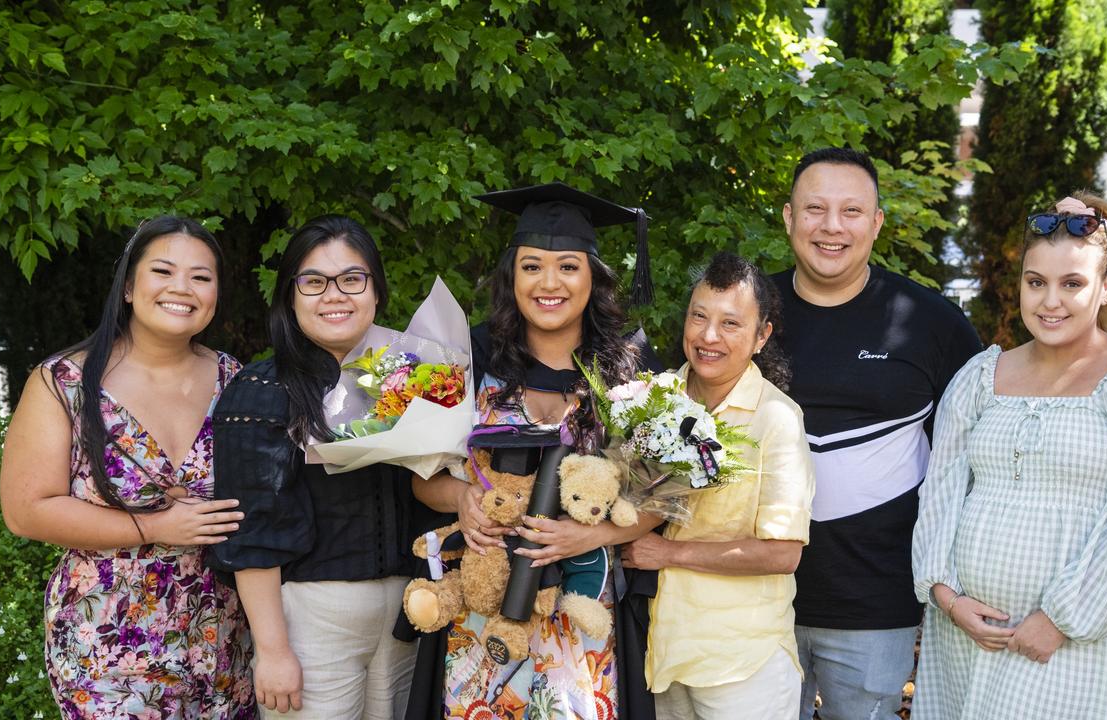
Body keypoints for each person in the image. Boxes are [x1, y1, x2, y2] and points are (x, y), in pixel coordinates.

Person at [909, 192, 1107, 718]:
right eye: (1036, 281)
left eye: (1073, 284)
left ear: (1105, 286)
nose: (1050, 301)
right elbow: (941, 491)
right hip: (967, 637)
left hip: (1068, 639)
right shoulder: (979, 377)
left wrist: (1063, 618)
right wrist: (946, 596)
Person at [409, 182, 663, 720]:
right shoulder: (468, 357)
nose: (550, 283)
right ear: (511, 276)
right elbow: (420, 477)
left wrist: (591, 534)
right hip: (481, 618)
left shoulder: (628, 368)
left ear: (594, 278)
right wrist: (461, 498)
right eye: (532, 266)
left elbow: (664, 498)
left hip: (582, 619)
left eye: (568, 266)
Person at [0, 216, 255, 719]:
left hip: (225, 635)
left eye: (201, 277)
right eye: (163, 271)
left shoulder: (237, 381)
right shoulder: (65, 382)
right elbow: (26, 511)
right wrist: (156, 526)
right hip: (108, 642)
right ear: (131, 288)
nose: (182, 288)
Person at [768, 147, 983, 719]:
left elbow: (974, 459)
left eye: (851, 211)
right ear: (788, 217)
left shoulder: (931, 323)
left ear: (877, 222)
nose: (831, 227)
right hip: (751, 596)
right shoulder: (744, 313)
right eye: (814, 208)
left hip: (877, 603)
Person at [207, 216, 431, 719]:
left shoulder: (410, 381)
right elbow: (252, 534)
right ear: (291, 296)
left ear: (376, 291)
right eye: (314, 282)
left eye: (353, 279)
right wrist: (273, 650)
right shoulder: (263, 391)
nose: (335, 295)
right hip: (313, 618)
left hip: (406, 611)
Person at [620, 252, 815, 720]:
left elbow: (783, 552)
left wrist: (669, 554)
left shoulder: (776, 419)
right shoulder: (652, 397)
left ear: (761, 336)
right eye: (699, 316)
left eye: (730, 324)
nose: (708, 336)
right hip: (662, 652)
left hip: (741, 664)